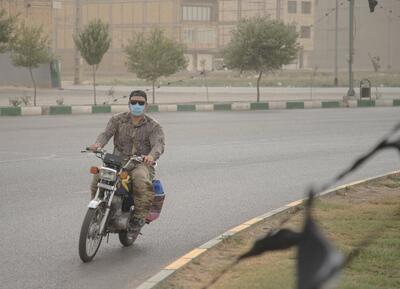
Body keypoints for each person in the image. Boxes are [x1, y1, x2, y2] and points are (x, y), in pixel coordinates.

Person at [89, 90, 165, 237]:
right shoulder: (117, 120)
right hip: (117, 161)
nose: (137, 105)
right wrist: (97, 144)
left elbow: (158, 145)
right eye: (134, 102)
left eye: (140, 103)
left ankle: (138, 218)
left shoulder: (153, 126)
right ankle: (97, 208)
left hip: (140, 163)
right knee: (98, 175)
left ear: (146, 105)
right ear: (129, 104)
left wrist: (150, 156)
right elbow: (106, 134)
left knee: (141, 180)